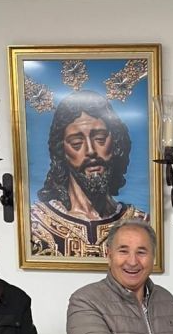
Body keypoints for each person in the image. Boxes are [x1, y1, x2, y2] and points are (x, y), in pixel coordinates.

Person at [31, 90, 149, 258]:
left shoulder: (141, 222)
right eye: (76, 143)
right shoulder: (36, 224)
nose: (91, 151)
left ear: (115, 143)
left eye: (100, 139)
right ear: (62, 151)